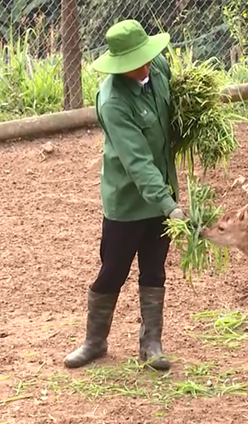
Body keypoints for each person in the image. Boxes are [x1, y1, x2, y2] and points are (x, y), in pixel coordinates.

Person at [64, 19, 184, 371]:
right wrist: (169, 206)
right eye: (136, 62)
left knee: (154, 269)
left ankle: (152, 344)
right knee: (113, 270)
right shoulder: (113, 101)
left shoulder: (158, 67)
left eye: (146, 57)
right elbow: (137, 162)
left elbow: (173, 106)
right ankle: (95, 341)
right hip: (128, 202)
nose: (145, 66)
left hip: (163, 191)